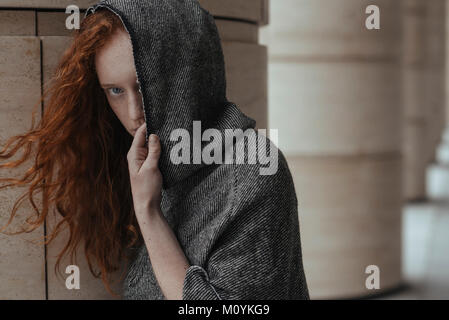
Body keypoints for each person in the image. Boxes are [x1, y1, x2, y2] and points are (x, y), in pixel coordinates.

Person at [0, 0, 309, 300]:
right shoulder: (145, 168)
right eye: (116, 91)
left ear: (186, 77)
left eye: (145, 86)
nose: (134, 113)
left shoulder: (254, 169)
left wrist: (150, 215)